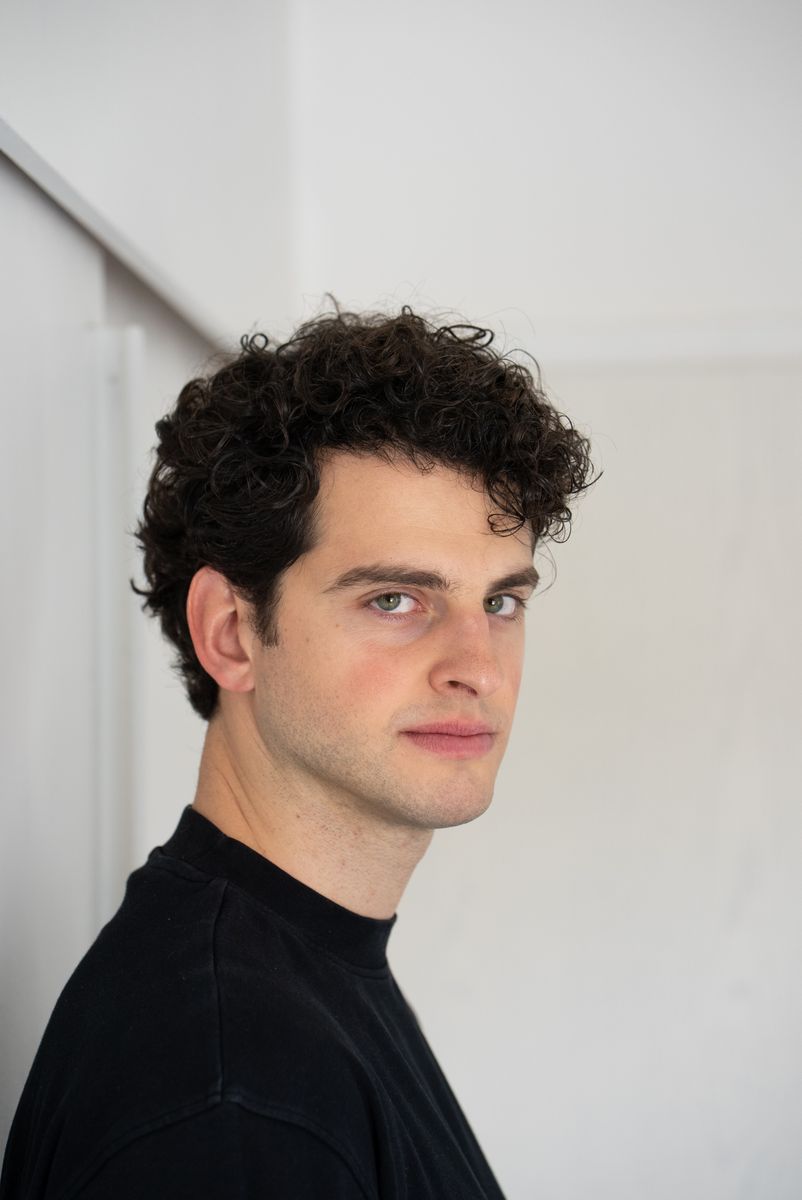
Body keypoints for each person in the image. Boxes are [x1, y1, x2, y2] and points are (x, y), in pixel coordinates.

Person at [1, 305, 595, 1198]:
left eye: (501, 603)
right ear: (231, 633)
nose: (479, 669)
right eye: (395, 600)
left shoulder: (292, 985)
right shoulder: (232, 1094)